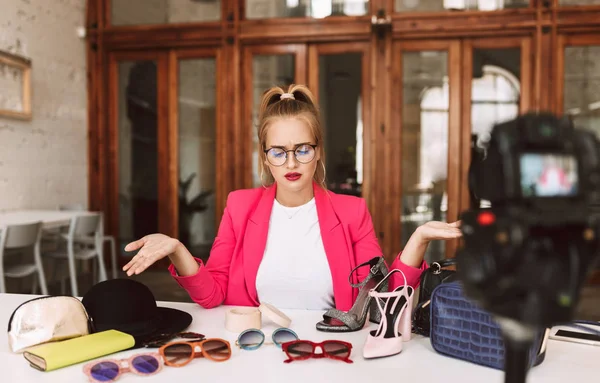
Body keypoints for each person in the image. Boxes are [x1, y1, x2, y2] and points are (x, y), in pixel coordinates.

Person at [122, 84, 462, 311]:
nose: (292, 163)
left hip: (329, 352)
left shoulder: (352, 211)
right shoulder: (240, 207)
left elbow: (383, 304)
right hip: (254, 355)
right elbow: (212, 296)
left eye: (302, 149)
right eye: (279, 152)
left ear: (318, 152)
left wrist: (418, 242)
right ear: (265, 156)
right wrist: (179, 250)